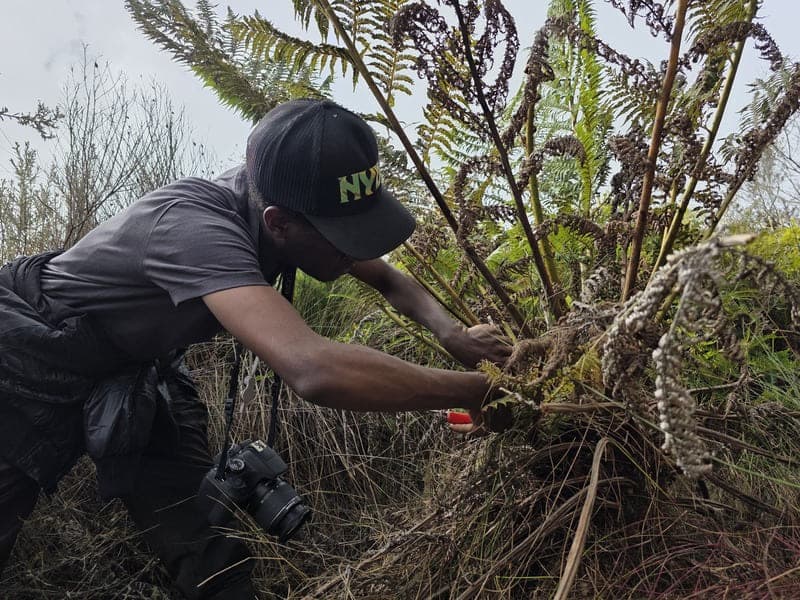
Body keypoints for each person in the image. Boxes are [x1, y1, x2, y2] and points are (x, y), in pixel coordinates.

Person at [0, 98, 511, 598]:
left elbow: (388, 279)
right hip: (32, 351)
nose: (359, 252)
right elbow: (312, 368)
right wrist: (476, 391)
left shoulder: (295, 206)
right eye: (345, 239)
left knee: (203, 537)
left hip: (135, 363)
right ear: (279, 225)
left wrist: (453, 335)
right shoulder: (193, 227)